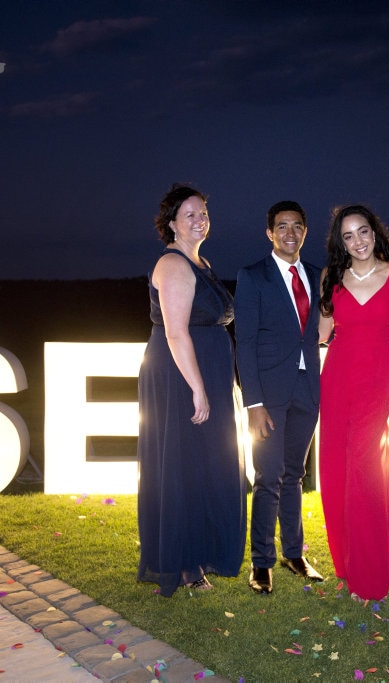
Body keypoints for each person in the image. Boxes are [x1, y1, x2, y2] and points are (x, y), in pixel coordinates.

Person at [137, 184, 246, 596]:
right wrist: (198, 389)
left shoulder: (200, 261)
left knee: (203, 464)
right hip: (182, 376)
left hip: (206, 372)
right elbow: (177, 333)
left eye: (203, 213)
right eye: (190, 215)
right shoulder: (174, 265)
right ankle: (182, 565)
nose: (199, 219)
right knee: (182, 464)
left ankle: (198, 555)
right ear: (171, 224)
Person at [317, 204, 389, 601]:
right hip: (335, 380)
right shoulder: (331, 278)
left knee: (366, 470)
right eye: (348, 236)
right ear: (341, 242)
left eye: (363, 232)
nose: (357, 242)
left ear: (376, 233)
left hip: (376, 381)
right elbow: (321, 336)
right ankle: (347, 564)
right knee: (336, 471)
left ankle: (370, 576)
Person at [234, 201, 325, 595]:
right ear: (269, 233)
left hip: (307, 390)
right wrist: (252, 404)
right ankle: (261, 563)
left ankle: (293, 553)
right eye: (282, 226)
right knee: (268, 477)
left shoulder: (319, 276)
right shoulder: (253, 277)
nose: (290, 232)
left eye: (298, 226)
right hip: (267, 398)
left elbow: (323, 329)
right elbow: (246, 342)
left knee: (295, 476)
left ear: (305, 231)